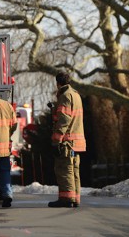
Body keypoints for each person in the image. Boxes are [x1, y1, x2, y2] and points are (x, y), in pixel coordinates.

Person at [48, 72, 86, 208]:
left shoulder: (64, 96)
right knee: (74, 170)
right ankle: (75, 198)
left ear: (58, 83)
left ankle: (66, 199)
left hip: (67, 141)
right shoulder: (76, 95)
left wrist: (56, 139)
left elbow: (64, 120)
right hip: (77, 142)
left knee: (65, 169)